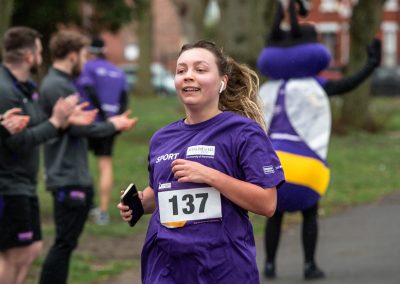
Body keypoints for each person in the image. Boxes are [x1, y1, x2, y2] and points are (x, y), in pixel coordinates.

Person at [118, 40, 285, 283]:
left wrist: (210, 176)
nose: (188, 76)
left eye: (200, 69)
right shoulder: (161, 138)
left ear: (222, 82)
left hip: (221, 269)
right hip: (166, 269)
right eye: (181, 70)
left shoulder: (243, 132)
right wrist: (139, 203)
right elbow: (161, 192)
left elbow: (267, 203)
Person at [257, 0, 381, 280]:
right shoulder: (315, 85)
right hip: (305, 166)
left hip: (272, 164)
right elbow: (345, 85)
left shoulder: (267, 88)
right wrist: (370, 65)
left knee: (275, 214)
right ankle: (309, 265)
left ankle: (269, 265)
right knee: (309, 212)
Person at [38, 30, 137, 284]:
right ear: (73, 56)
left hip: (71, 172)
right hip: (65, 175)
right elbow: (77, 127)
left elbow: (74, 124)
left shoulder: (61, 82)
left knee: (66, 244)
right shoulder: (58, 85)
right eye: (83, 55)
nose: (85, 61)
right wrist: (112, 125)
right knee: (63, 244)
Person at [0, 26, 96, 284]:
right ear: (30, 56)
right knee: (14, 254)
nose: (43, 56)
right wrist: (56, 122)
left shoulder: (24, 87)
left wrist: (65, 119)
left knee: (31, 248)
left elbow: (36, 123)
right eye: (40, 51)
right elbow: (17, 142)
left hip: (25, 184)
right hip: (9, 184)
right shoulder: (5, 90)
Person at [75, 37, 129, 225]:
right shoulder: (118, 71)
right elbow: (124, 98)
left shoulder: (87, 67)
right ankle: (103, 212)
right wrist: (117, 119)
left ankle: (86, 205)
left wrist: (101, 113)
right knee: (105, 165)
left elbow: (89, 90)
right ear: (105, 49)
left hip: (89, 121)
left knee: (81, 162)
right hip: (112, 122)